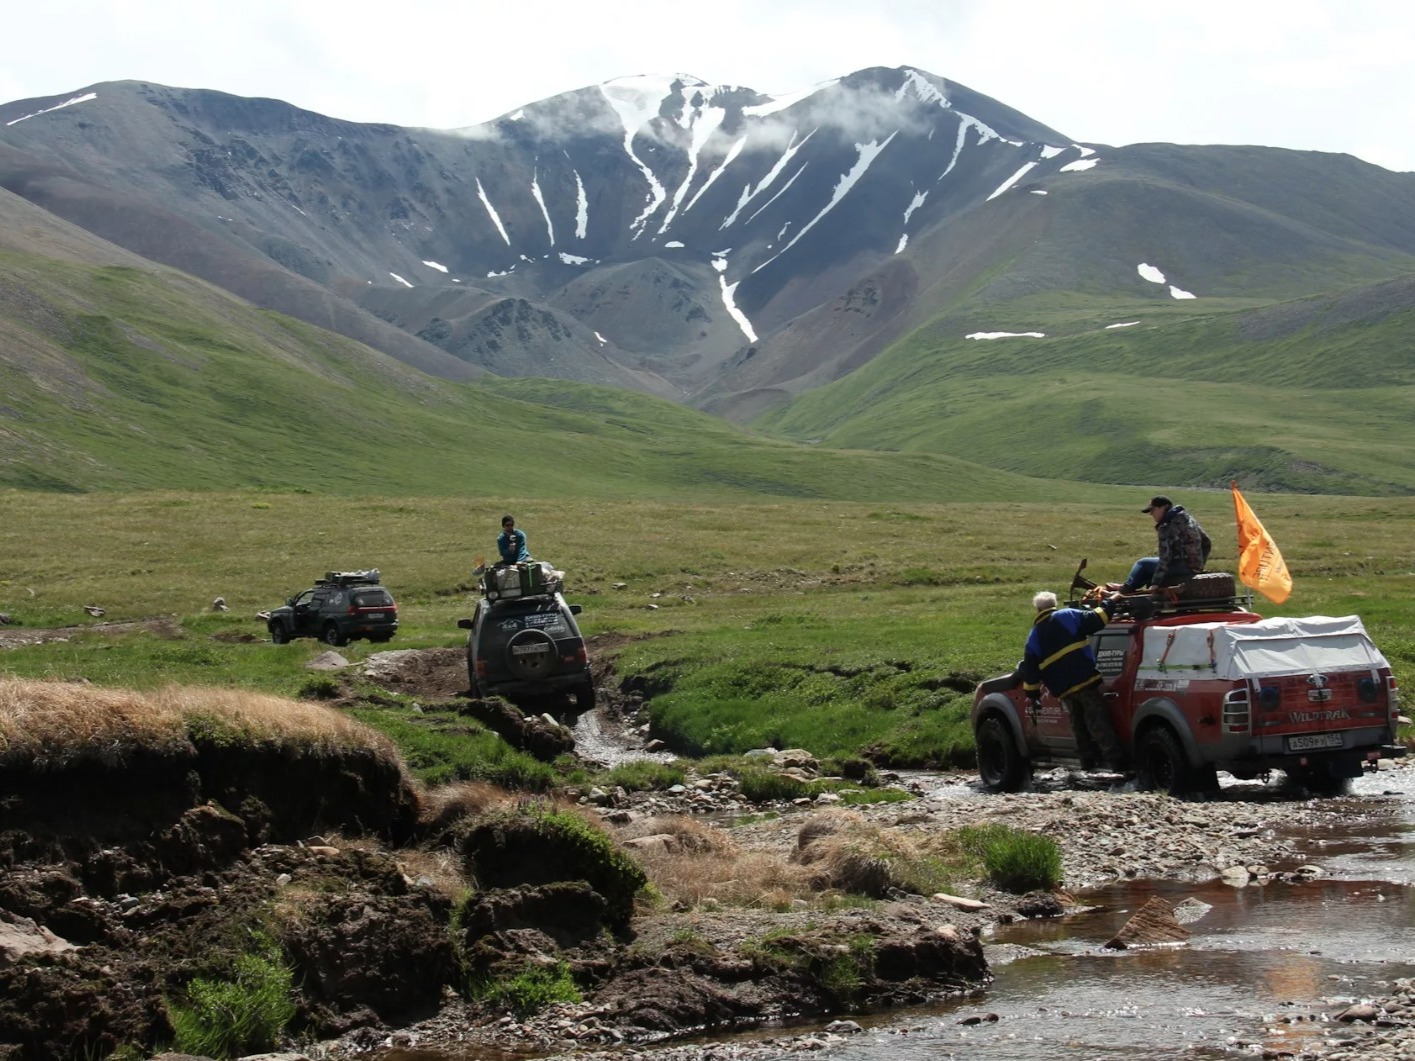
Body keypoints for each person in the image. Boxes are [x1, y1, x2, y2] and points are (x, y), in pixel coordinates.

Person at [1019, 589, 1128, 773]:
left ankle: (1087, 763)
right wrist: (1111, 602)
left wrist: (1033, 695)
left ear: (1038, 610)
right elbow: (1098, 618)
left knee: (1077, 723)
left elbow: (1030, 670)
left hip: (1064, 689)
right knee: (1097, 720)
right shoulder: (1067, 615)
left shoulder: (1034, 636)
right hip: (1085, 680)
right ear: (1054, 605)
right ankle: (1116, 763)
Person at [1120, 495, 1212, 594]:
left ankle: (1125, 590)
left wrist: (1155, 583)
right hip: (1194, 567)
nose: (1151, 514)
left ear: (1163, 507)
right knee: (1152, 566)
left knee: (1143, 564)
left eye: (1153, 510)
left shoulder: (1166, 526)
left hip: (1180, 566)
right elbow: (1207, 542)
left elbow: (1165, 557)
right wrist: (1199, 565)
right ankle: (1129, 585)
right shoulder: (1188, 519)